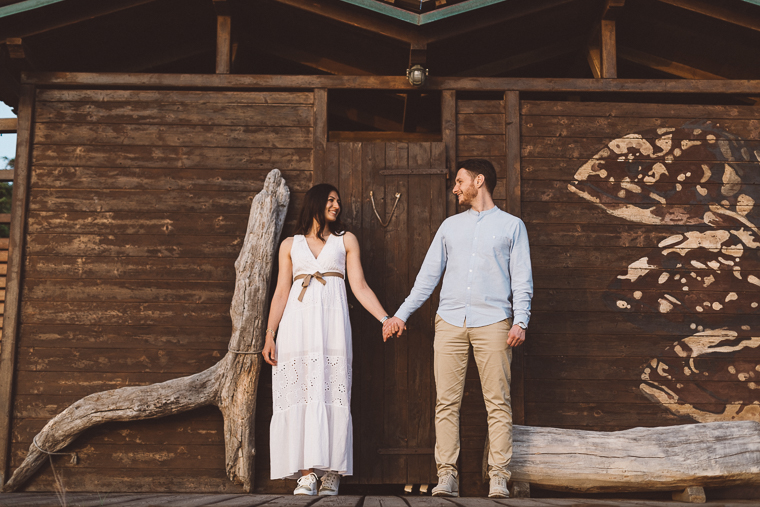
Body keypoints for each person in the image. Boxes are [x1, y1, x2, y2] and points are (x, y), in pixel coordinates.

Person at [384, 159, 533, 499]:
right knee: (446, 403)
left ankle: (499, 477)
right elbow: (427, 278)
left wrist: (521, 320)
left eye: (460, 181)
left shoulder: (512, 226)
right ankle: (446, 475)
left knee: (498, 402)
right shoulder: (450, 227)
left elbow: (522, 278)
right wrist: (401, 315)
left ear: (479, 181)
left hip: (495, 321)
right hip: (450, 321)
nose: (455, 188)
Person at [262, 183, 392, 496]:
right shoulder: (290, 245)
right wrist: (270, 334)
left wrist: (385, 318)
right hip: (296, 327)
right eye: (331, 200)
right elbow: (281, 292)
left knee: (333, 391)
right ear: (317, 203)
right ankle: (306, 474)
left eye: (338, 201)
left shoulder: (345, 241)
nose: (336, 206)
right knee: (301, 393)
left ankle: (332, 472)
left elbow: (359, 287)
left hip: (332, 325)